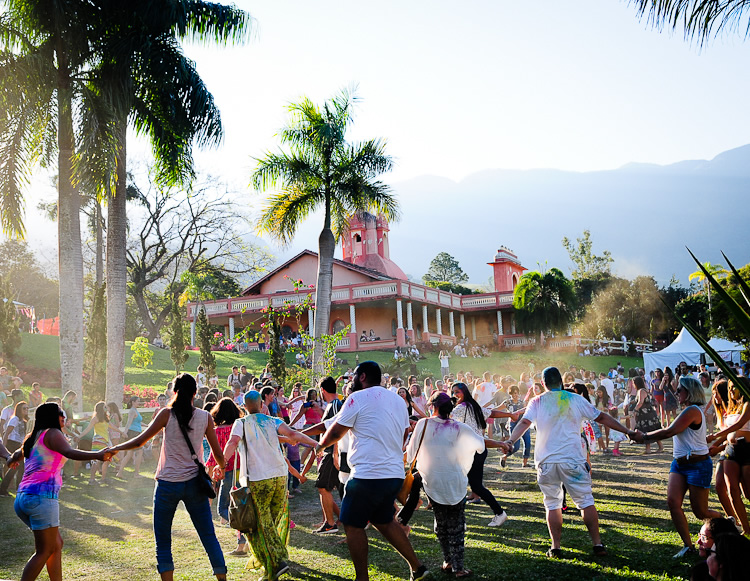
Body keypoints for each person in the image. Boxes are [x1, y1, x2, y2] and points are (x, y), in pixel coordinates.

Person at [501, 366, 635, 558]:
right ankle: (597, 544)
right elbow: (603, 417)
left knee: (552, 504)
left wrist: (510, 441)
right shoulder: (575, 399)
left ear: (544, 384)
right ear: (561, 382)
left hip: (546, 462)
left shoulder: (537, 401)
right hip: (573, 459)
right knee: (586, 501)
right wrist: (628, 431)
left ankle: (555, 547)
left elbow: (523, 423)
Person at [316, 361, 429, 581]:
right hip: (394, 473)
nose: (352, 381)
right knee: (384, 521)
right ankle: (418, 568)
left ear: (363, 376)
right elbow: (404, 432)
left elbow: (337, 431)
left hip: (368, 475)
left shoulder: (356, 398)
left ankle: (362, 578)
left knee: (351, 523)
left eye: (355, 377)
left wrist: (320, 446)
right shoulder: (397, 399)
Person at [111, 374, 228, 581]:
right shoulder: (204, 417)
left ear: (174, 391)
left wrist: (115, 448)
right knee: (208, 536)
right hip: (195, 483)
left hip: (167, 484)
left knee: (163, 540)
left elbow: (139, 441)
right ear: (194, 393)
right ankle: (222, 578)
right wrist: (221, 467)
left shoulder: (166, 414)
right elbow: (218, 453)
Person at [218, 390, 318, 580]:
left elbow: (232, 442)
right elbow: (293, 434)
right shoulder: (272, 421)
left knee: (259, 524)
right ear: (261, 405)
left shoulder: (241, 423)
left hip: (258, 479)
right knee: (269, 521)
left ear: (245, 406)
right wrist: (316, 445)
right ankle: (274, 561)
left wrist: (221, 463)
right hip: (280, 477)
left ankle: (277, 561)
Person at [8, 402, 112, 581]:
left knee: (56, 544)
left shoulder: (33, 436)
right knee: (44, 551)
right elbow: (69, 452)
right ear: (51, 417)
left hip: (23, 498)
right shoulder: (53, 433)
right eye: (60, 413)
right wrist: (97, 455)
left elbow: (16, 454)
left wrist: (11, 460)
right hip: (41, 498)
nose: (64, 416)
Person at [633, 376, 723, 558]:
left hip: (698, 464)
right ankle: (688, 546)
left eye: (679, 390)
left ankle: (727, 524)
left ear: (689, 392)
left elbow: (670, 431)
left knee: (700, 512)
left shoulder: (692, 410)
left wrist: (644, 436)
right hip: (679, 463)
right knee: (673, 503)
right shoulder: (687, 410)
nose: (676, 393)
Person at [405, 392, 488, 577]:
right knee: (456, 526)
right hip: (455, 482)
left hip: (434, 483)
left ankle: (448, 561)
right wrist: (500, 443)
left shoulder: (422, 424)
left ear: (432, 406)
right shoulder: (459, 427)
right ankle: (458, 568)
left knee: (441, 524)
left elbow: (410, 455)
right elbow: (480, 443)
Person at [451, 382, 518, 526]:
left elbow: (445, 420)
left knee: (471, 485)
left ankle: (499, 513)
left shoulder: (460, 409)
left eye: (457, 392)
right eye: (453, 392)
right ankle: (497, 513)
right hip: (479, 450)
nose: (454, 395)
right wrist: (509, 415)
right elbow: (491, 413)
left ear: (464, 392)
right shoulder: (473, 405)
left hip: (471, 451)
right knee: (474, 485)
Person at [706, 376, 750, 535]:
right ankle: (745, 528)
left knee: (748, 492)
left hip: (747, 449)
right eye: (730, 387)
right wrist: (715, 445)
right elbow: (730, 431)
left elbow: (738, 425)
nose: (731, 391)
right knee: (730, 490)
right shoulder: (732, 408)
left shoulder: (747, 404)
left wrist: (713, 438)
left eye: (734, 388)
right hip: (731, 450)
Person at [0, 400, 29, 496]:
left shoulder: (23, 420)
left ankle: (10, 489)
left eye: (27, 408)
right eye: (24, 408)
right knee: (17, 467)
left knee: (18, 468)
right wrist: (3, 447)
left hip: (19, 445)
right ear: (19, 409)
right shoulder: (15, 419)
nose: (26, 410)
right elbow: (6, 433)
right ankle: (11, 489)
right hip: (12, 444)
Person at [632, 376, 664, 454]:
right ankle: (659, 447)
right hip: (647, 413)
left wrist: (635, 410)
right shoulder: (643, 390)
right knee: (651, 430)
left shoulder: (641, 391)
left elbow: (641, 402)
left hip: (646, 414)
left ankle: (649, 449)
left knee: (647, 430)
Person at [116, 396, 143, 479]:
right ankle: (136, 473)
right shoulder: (132, 411)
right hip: (133, 433)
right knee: (140, 452)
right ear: (133, 402)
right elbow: (129, 422)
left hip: (136, 433)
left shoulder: (135, 410)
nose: (139, 402)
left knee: (129, 454)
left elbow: (138, 422)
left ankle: (119, 473)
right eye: (138, 401)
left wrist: (148, 425)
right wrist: (125, 432)